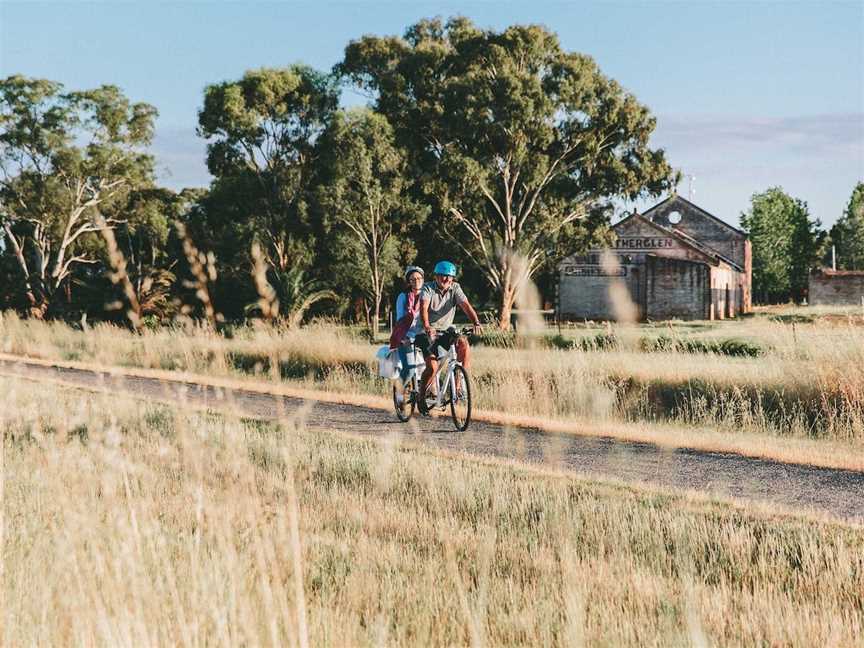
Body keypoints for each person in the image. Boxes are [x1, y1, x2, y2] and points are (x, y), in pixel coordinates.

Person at [415, 260, 482, 413]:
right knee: (432, 367)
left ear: (453, 278)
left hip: (446, 331)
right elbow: (423, 308)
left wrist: (476, 322)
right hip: (425, 332)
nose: (446, 279)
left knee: (463, 343)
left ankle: (459, 386)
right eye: (442, 276)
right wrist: (427, 327)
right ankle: (421, 395)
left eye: (449, 277)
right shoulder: (428, 288)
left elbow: (465, 305)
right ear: (436, 276)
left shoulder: (455, 288)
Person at [389, 266, 425, 391]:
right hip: (406, 335)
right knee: (409, 370)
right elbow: (400, 320)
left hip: (423, 335)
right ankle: (399, 392)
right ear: (409, 281)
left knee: (432, 366)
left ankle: (426, 395)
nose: (417, 281)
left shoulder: (428, 295)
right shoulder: (403, 297)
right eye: (413, 279)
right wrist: (403, 338)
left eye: (419, 278)